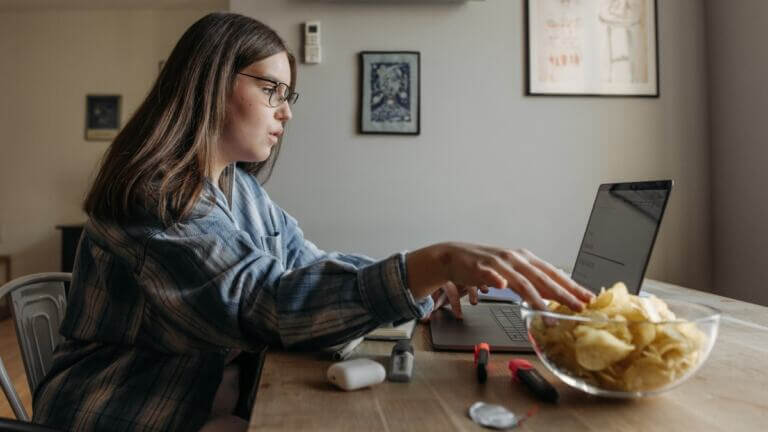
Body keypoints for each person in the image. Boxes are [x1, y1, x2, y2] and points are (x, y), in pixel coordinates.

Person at [32, 12, 593, 432]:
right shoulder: (154, 201)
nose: (286, 111)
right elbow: (265, 305)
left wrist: (426, 284)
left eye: (288, 94)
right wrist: (432, 262)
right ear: (208, 82)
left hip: (207, 400)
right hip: (129, 410)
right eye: (270, 90)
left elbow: (306, 267)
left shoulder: (240, 190)